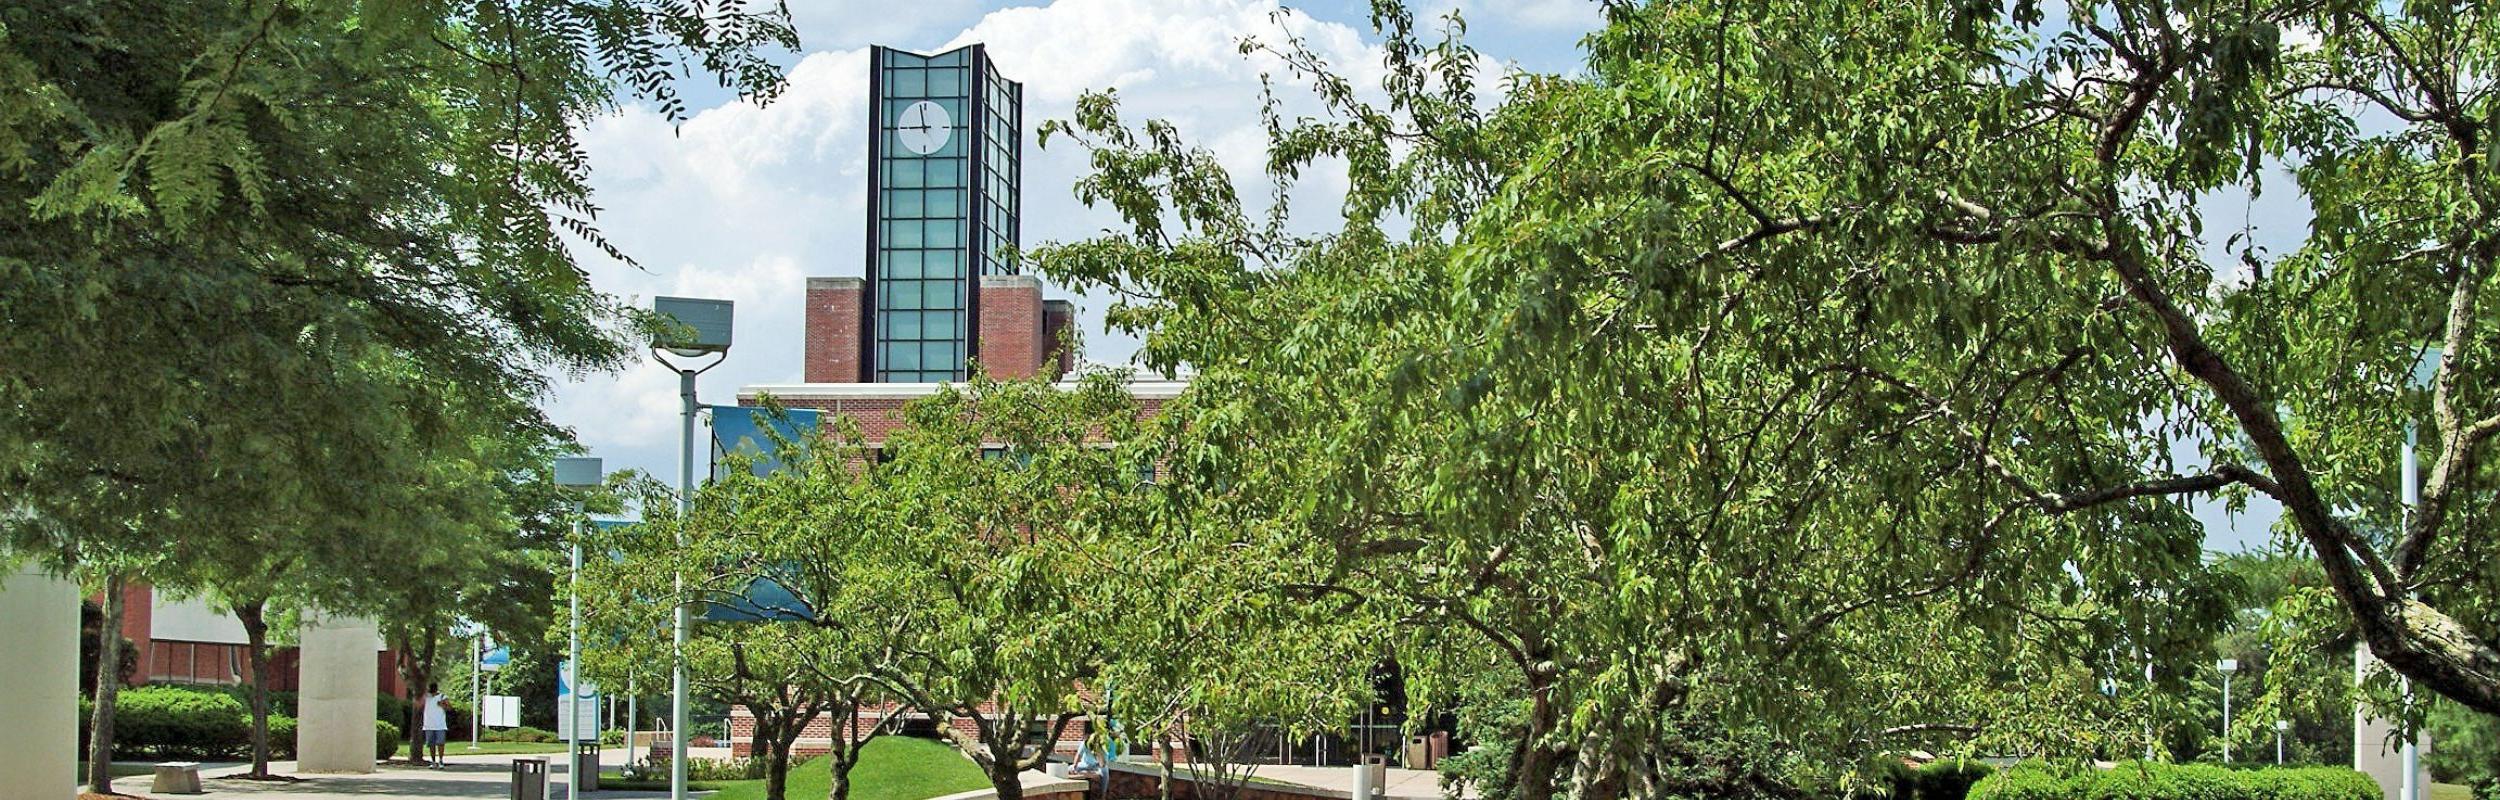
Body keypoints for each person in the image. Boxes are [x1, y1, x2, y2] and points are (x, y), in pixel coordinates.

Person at [423, 682, 451, 768]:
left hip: (440, 725)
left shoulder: (442, 697)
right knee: (431, 744)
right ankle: (433, 761)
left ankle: (441, 760)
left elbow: (449, 708)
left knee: (440, 743)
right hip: (428, 724)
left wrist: (442, 705)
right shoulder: (426, 697)